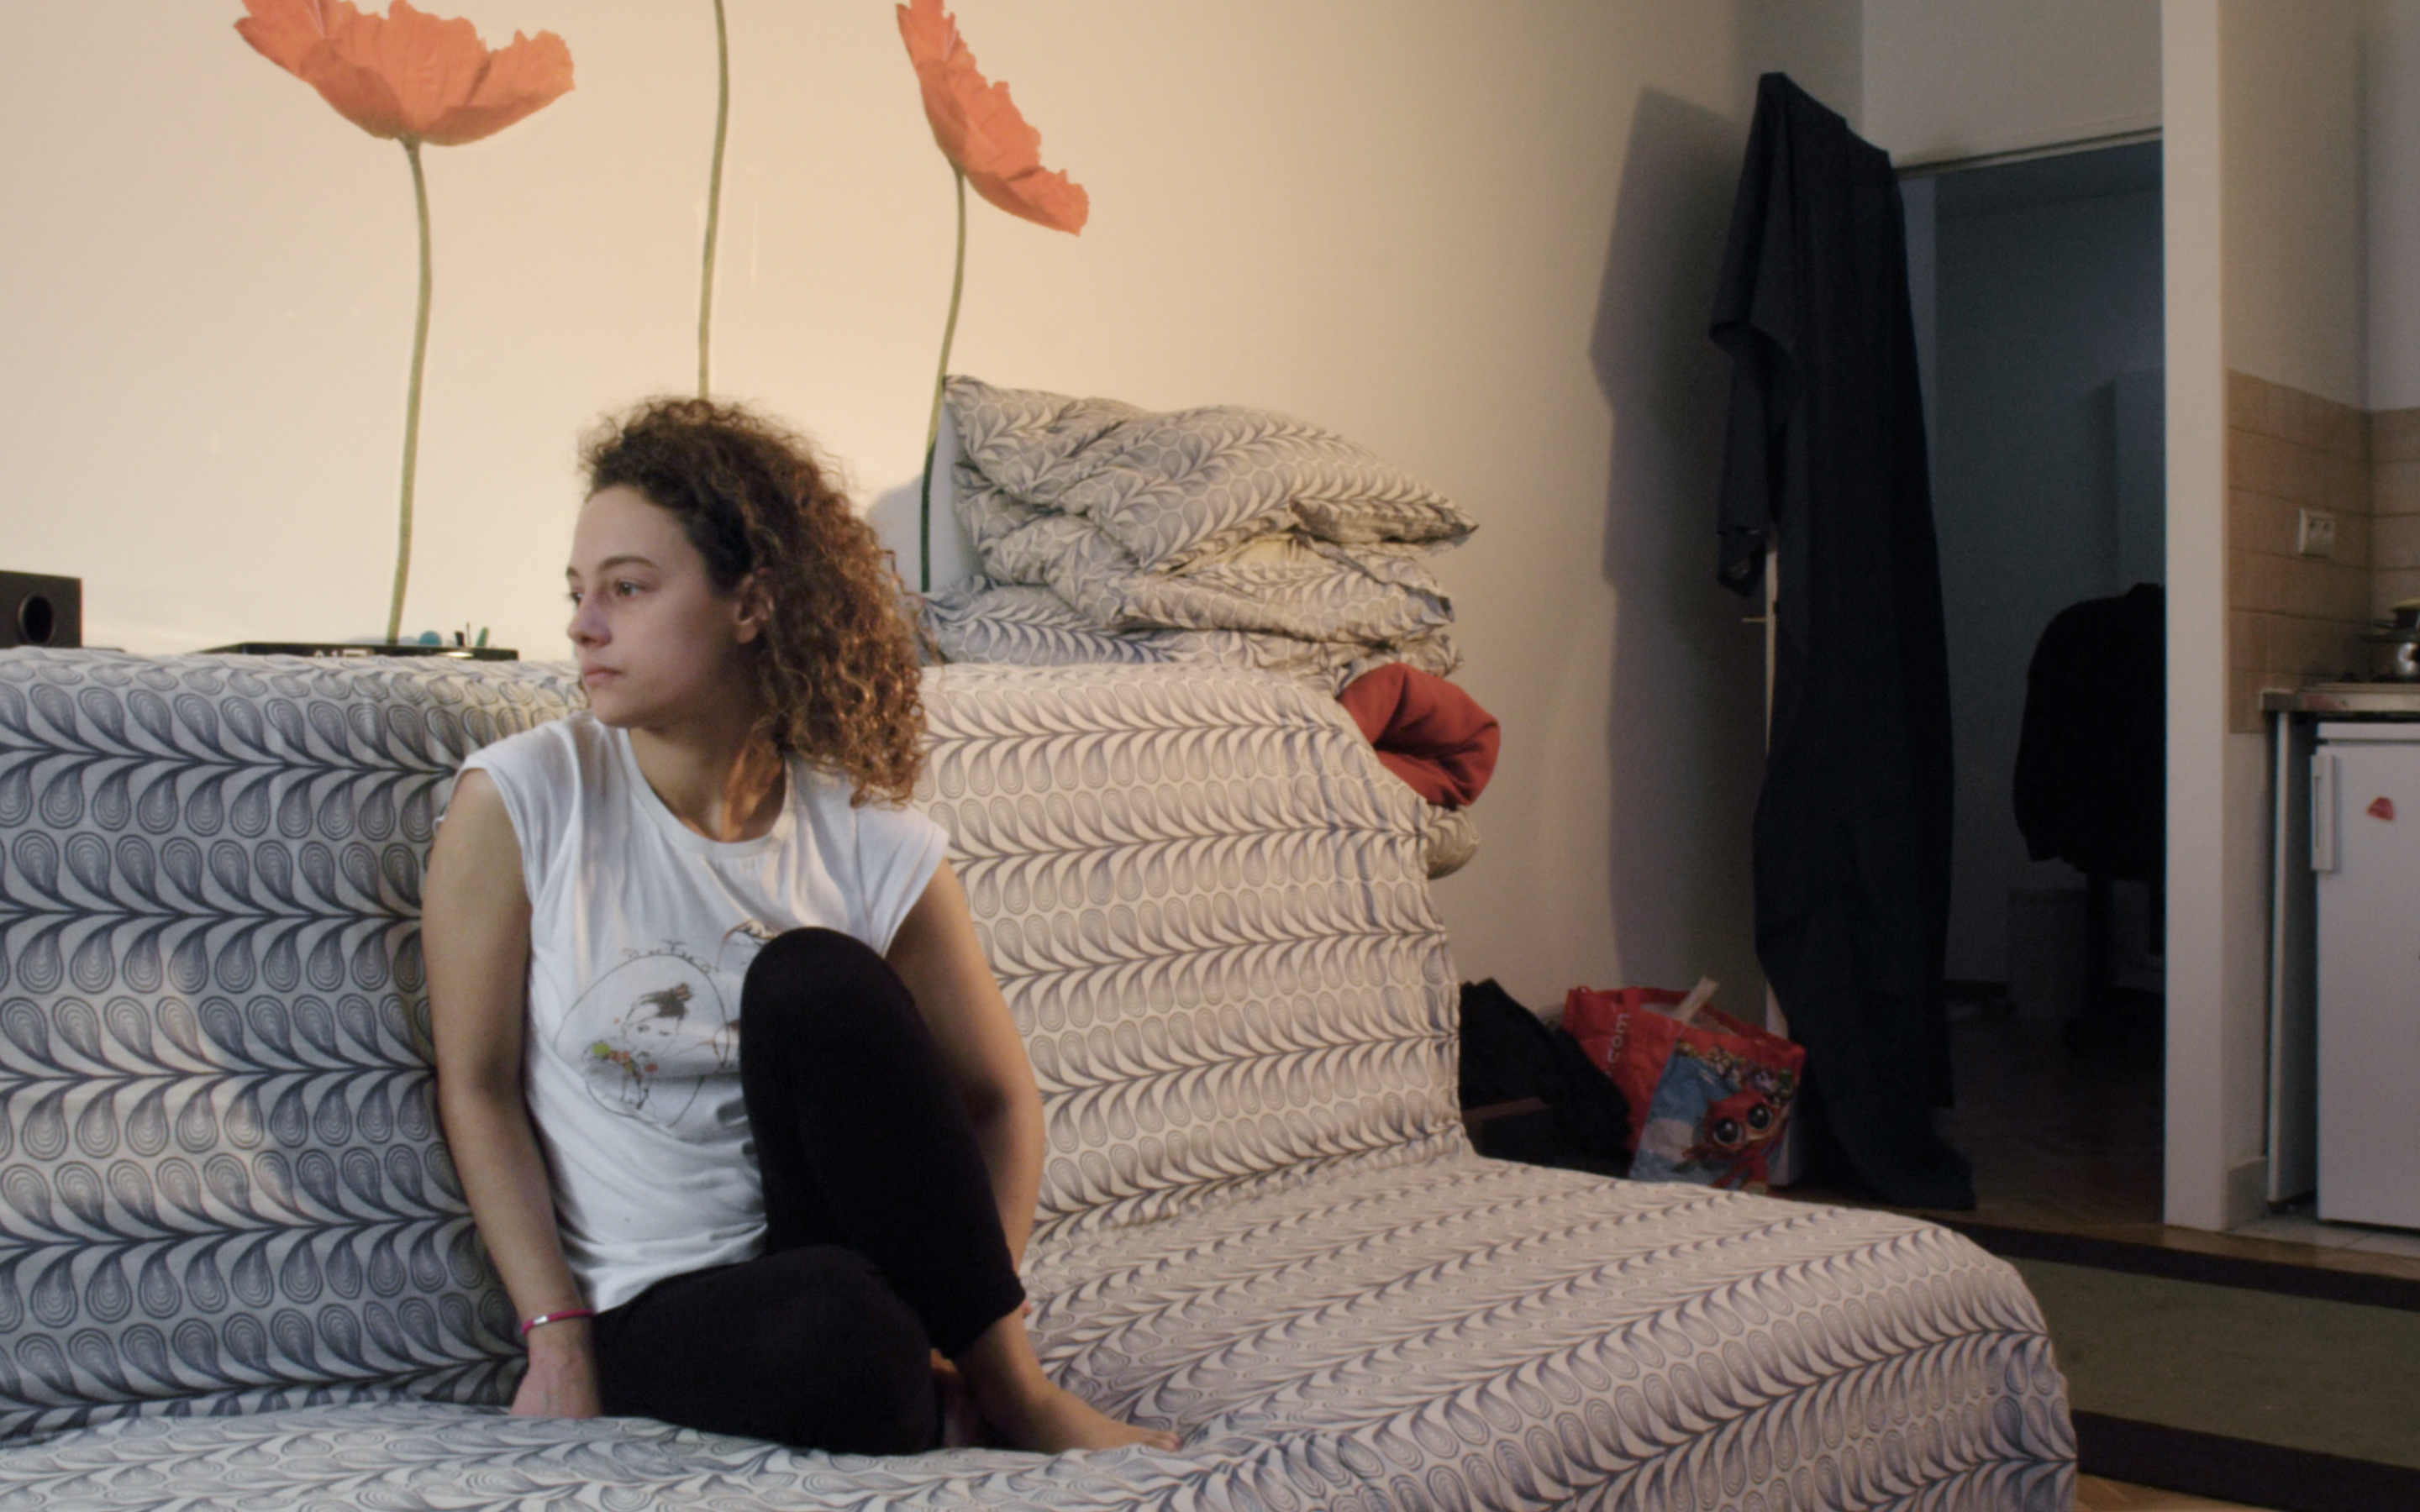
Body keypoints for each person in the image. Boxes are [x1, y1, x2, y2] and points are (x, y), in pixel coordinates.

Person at [424, 397, 1178, 1457]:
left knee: (816, 975)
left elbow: (1003, 1103)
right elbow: (476, 1084)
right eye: (577, 592)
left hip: (844, 1254)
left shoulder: (867, 836)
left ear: (751, 602)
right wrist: (557, 1340)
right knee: (843, 1331)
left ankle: (1008, 1393)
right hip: (666, 1306)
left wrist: (972, 1344)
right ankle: (907, 1372)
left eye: (628, 589)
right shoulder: (522, 798)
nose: (584, 625)